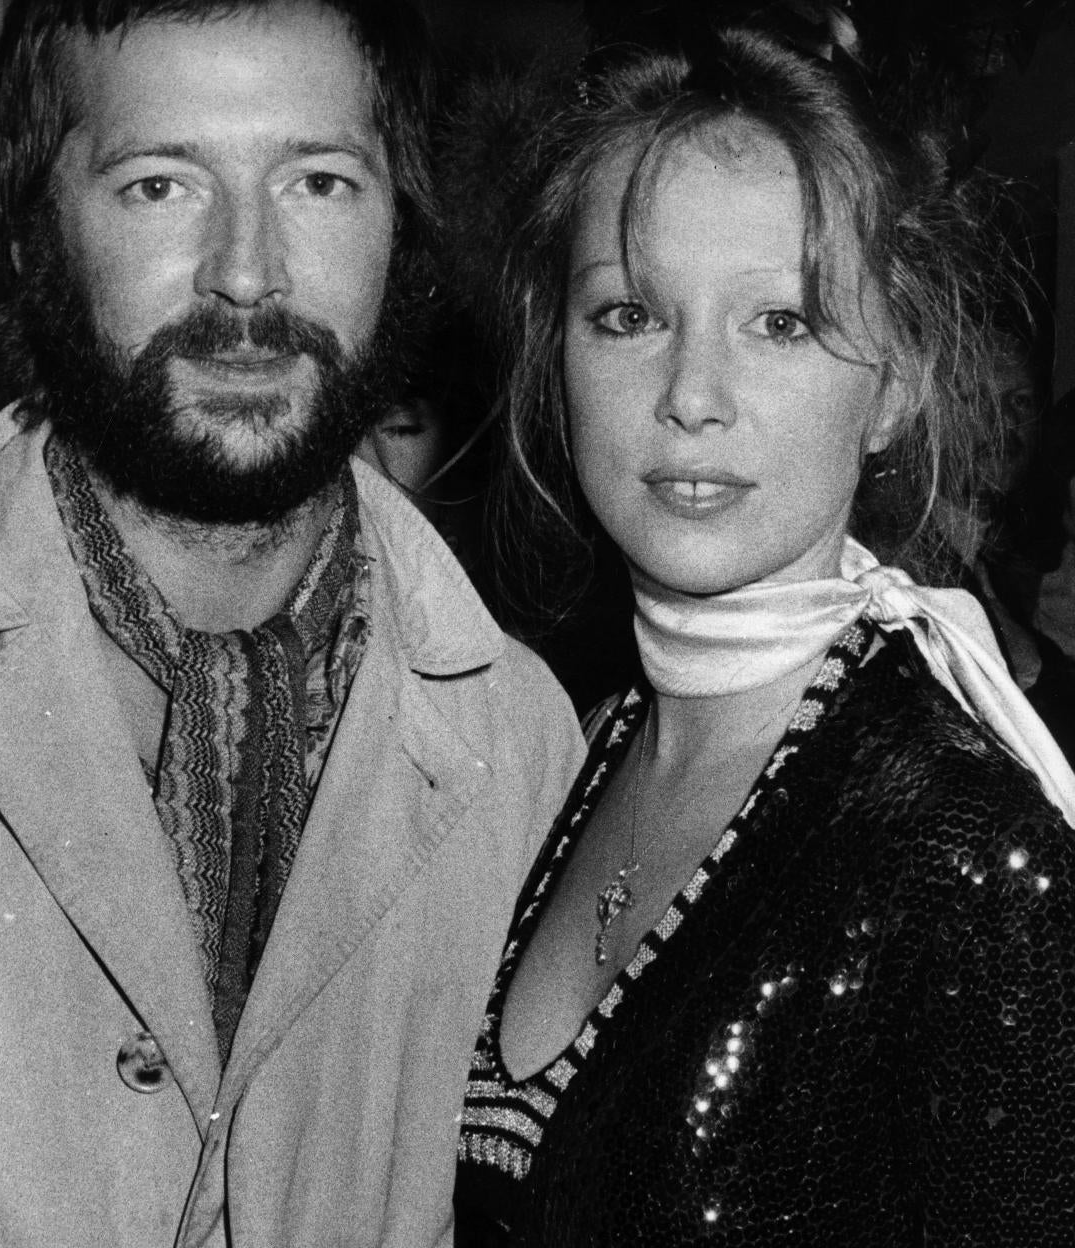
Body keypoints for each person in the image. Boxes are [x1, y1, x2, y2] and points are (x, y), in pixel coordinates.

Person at [0, 2, 584, 1245]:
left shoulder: (526, 741)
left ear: (403, 229)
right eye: (160, 186)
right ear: (33, 237)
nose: (246, 272)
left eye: (319, 182)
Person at [454, 17, 1075, 1246]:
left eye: (780, 322)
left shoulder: (966, 858)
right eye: (628, 314)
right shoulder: (571, 749)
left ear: (895, 385)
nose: (691, 395)